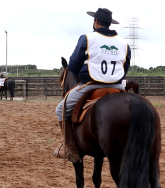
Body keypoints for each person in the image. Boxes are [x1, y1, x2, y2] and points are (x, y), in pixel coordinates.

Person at [54, 8, 131, 163]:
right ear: (109, 24)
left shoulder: (87, 38)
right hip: (118, 87)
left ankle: (71, 149)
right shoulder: (124, 43)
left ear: (95, 22)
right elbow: (125, 68)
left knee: (60, 109)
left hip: (92, 85)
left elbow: (74, 68)